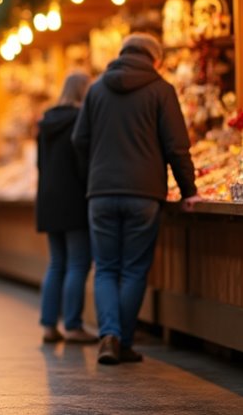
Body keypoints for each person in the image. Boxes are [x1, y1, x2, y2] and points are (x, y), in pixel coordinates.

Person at [72, 33, 200, 365]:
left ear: (121, 53)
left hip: (100, 194)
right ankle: (122, 341)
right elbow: (177, 147)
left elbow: (79, 139)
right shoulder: (161, 90)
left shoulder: (96, 90)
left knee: (105, 269)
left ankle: (109, 336)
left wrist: (94, 175)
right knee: (132, 270)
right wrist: (189, 191)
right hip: (144, 194)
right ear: (155, 59)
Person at [36, 72, 99, 345]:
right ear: (84, 92)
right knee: (78, 263)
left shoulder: (46, 122)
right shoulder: (81, 120)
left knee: (57, 263)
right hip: (75, 198)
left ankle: (50, 325)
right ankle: (73, 325)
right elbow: (84, 162)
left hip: (49, 199)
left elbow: (40, 164)